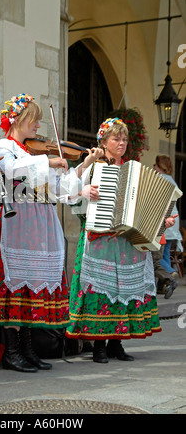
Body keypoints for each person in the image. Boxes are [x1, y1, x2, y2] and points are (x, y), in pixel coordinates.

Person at [0, 93, 102, 372]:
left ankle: (27, 349)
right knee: (17, 285)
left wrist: (82, 165)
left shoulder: (33, 151)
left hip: (42, 222)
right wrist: (47, 162)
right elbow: (10, 171)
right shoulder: (5, 146)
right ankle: (12, 352)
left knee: (30, 287)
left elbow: (61, 190)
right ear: (18, 120)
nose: (38, 126)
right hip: (21, 220)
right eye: (34, 120)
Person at [66, 118, 176, 363]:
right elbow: (72, 197)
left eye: (124, 139)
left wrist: (161, 222)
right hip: (100, 240)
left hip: (126, 243)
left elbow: (143, 209)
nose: (121, 143)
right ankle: (99, 346)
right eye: (116, 138)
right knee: (103, 292)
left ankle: (116, 344)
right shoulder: (92, 167)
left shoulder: (132, 171)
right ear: (103, 141)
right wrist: (85, 193)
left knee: (124, 290)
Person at [153, 155, 182, 296]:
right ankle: (162, 287)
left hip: (165, 220)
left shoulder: (161, 179)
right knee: (165, 254)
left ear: (159, 166)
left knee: (159, 257)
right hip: (173, 220)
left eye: (155, 165)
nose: (153, 167)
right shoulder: (172, 180)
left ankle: (170, 274)